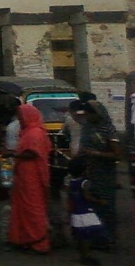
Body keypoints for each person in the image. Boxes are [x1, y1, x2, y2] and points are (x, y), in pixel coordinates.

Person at [75, 100, 120, 249]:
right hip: (88, 172)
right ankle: (94, 238)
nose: (87, 116)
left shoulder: (108, 130)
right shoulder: (86, 127)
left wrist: (95, 153)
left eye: (89, 113)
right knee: (90, 206)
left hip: (104, 174)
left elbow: (117, 155)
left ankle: (109, 239)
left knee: (106, 206)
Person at [7, 103, 51, 254]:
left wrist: (13, 154)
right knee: (23, 208)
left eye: (21, 116)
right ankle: (25, 239)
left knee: (33, 208)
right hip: (24, 175)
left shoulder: (35, 133)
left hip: (32, 175)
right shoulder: (27, 132)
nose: (20, 119)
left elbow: (32, 153)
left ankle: (38, 242)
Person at [66, 156, 108, 266]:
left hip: (76, 212)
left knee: (81, 235)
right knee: (88, 234)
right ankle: (87, 255)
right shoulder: (85, 182)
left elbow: (70, 197)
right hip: (85, 211)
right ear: (83, 171)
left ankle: (83, 255)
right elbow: (87, 197)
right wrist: (99, 201)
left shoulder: (71, 182)